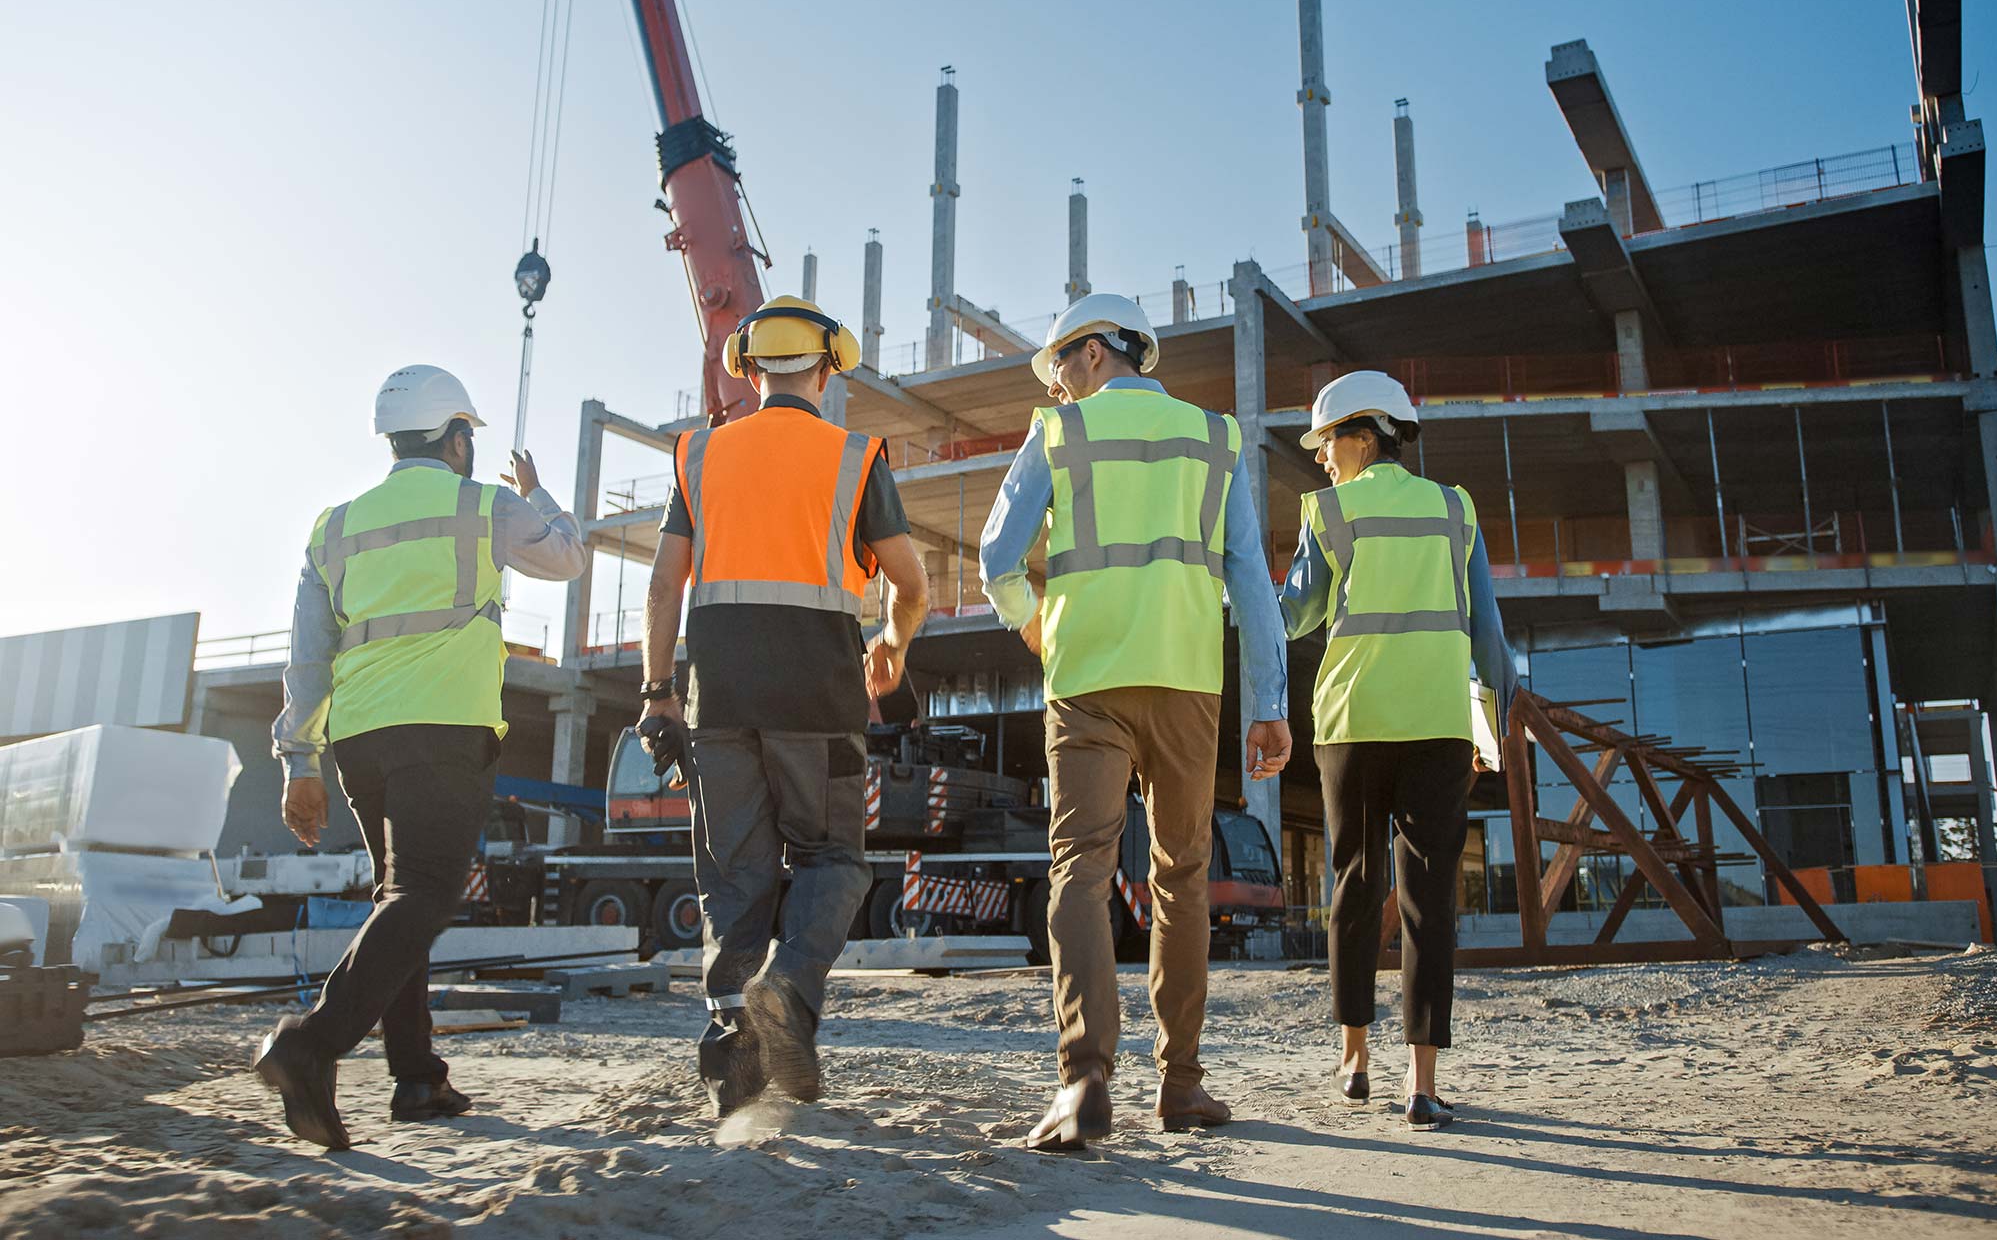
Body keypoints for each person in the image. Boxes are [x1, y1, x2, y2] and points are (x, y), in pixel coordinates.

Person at [980, 293, 1291, 1151]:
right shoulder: (1215, 438)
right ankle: (1181, 1084)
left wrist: (1034, 623)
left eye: (1059, 371)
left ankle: (1084, 1080)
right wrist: (1269, 704)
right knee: (1181, 876)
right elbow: (1251, 583)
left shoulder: (1059, 434)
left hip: (1085, 681)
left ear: (1088, 355)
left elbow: (995, 555)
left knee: (1079, 871)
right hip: (1189, 683)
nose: (1060, 390)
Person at [261, 364, 588, 1149]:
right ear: (458, 437)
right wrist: (540, 496)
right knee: (426, 895)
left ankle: (417, 1078)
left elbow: (306, 659)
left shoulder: (334, 526)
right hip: (442, 728)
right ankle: (311, 1043)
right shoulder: (484, 505)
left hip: (360, 739)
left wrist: (297, 760)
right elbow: (568, 559)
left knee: (397, 899)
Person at [637, 296, 929, 1117]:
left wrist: (659, 692)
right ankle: (791, 988)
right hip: (820, 699)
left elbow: (665, 583)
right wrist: (893, 645)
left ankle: (735, 1071)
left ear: (750, 366)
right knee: (833, 860)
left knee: (737, 877)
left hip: (719, 700)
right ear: (828, 367)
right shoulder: (855, 456)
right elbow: (912, 584)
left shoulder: (698, 454)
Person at [1278, 370, 1517, 1131]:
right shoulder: (1455, 508)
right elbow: (1490, 636)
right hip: (1438, 721)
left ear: (1365, 434)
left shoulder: (1329, 512)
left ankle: (1353, 1058)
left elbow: (1293, 616)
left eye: (1327, 442)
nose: (1321, 458)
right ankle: (1421, 1082)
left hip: (1352, 721)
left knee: (1352, 881)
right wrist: (1491, 726)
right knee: (1429, 898)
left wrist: (1235, 574)